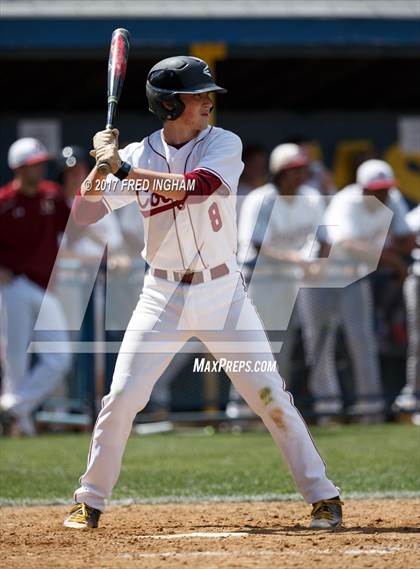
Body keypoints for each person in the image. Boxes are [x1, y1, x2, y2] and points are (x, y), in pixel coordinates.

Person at [63, 56, 342, 530]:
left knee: (269, 395)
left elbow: (197, 187)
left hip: (223, 294)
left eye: (207, 93)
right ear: (169, 105)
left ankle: (323, 496)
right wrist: (99, 166)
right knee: (123, 396)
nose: (208, 101)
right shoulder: (139, 152)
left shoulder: (223, 144)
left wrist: (124, 169)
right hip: (161, 294)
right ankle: (88, 500)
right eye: (197, 95)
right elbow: (86, 213)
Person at [303, 159, 414, 420]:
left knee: (362, 340)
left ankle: (370, 408)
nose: (382, 194)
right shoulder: (346, 201)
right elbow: (345, 246)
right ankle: (327, 410)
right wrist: (393, 260)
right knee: (320, 343)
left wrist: (399, 251)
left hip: (353, 276)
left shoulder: (392, 198)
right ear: (362, 188)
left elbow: (405, 237)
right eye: (376, 189)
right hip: (319, 278)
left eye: (385, 188)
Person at [227, 143, 325, 418]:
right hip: (258, 280)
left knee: (282, 348)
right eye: (295, 169)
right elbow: (257, 246)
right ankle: (240, 413)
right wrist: (298, 260)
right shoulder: (262, 198)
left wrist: (318, 264)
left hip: (290, 283)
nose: (301, 174)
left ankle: (275, 411)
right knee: (251, 348)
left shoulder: (311, 197)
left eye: (304, 169)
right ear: (280, 172)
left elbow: (322, 240)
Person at [0, 138, 71, 436]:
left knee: (60, 358)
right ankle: (21, 425)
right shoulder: (4, 201)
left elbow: (72, 230)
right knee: (15, 360)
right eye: (33, 164)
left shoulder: (52, 196)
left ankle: (12, 409)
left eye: (41, 163)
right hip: (12, 286)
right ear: (19, 168)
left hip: (45, 287)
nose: (40, 168)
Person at [394, 203, 420, 417]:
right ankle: (414, 395)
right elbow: (399, 239)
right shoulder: (414, 217)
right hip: (417, 278)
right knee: (417, 343)